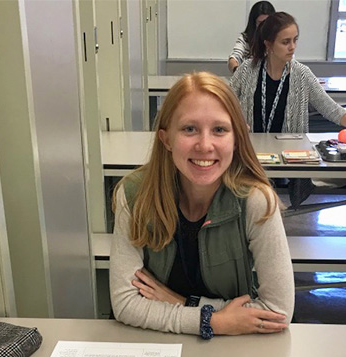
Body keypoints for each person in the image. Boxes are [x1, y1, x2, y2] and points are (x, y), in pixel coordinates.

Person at [110, 72, 294, 339]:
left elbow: (277, 312)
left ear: (236, 138)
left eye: (219, 130)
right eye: (189, 129)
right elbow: (126, 304)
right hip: (158, 345)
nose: (205, 145)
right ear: (166, 139)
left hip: (234, 350)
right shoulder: (134, 195)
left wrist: (183, 302)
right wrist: (216, 321)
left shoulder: (256, 201)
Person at [229, 11, 346, 205]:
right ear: (268, 43)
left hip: (288, 154)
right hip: (252, 151)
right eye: (285, 42)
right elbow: (226, 103)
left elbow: (330, 107)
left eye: (295, 40)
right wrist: (235, 123)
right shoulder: (247, 70)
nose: (292, 47)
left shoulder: (301, 74)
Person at [228, 1, 275, 74]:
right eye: (260, 23)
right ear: (254, 23)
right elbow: (234, 58)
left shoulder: (278, 40)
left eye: (267, 22)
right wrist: (237, 72)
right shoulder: (245, 39)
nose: (264, 26)